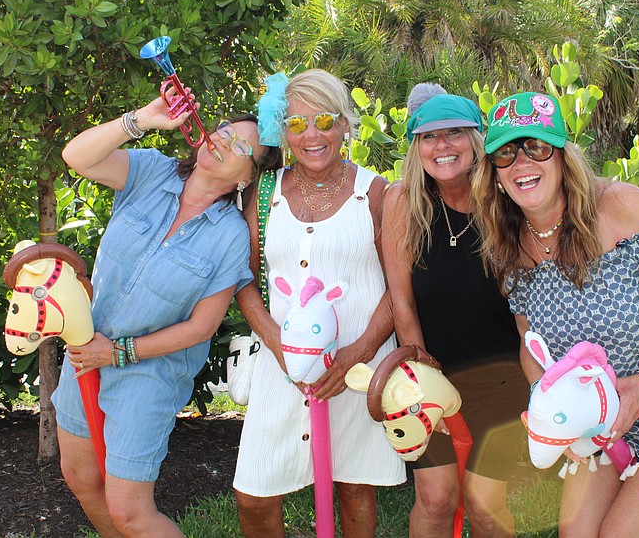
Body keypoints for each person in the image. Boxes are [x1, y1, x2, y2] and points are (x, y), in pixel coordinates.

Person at [471, 91, 639, 537]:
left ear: (561, 155)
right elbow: (529, 342)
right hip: (597, 408)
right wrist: (551, 407)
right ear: (495, 174)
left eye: (536, 147)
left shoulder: (619, 206)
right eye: (506, 153)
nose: (522, 162)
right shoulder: (509, 247)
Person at [52, 92, 281, 538]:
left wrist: (116, 353)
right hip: (84, 349)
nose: (222, 141)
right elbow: (75, 156)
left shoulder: (231, 236)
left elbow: (202, 326)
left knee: (130, 512)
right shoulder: (152, 172)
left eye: (240, 147)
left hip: (147, 373)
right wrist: (142, 118)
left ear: (246, 179)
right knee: (81, 479)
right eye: (225, 131)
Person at [232, 69, 406, 537]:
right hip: (280, 366)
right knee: (254, 493)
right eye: (296, 123)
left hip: (356, 365)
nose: (311, 134)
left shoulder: (376, 193)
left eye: (324, 120)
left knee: (353, 487)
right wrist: (275, 343)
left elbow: (399, 284)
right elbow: (243, 277)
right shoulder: (263, 193)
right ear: (282, 132)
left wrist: (360, 352)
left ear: (345, 126)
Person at [381, 85, 527, 538]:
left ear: (476, 140)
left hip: (502, 377)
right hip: (432, 374)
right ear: (415, 147)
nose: (441, 146)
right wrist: (422, 377)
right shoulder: (404, 202)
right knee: (437, 498)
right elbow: (401, 299)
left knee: (484, 508)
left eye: (454, 133)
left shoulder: (506, 200)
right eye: (428, 136)